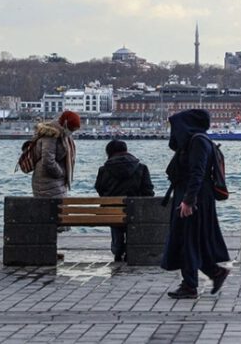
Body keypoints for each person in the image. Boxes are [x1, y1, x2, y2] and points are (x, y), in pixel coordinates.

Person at [161, 109, 230, 299]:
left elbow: (197, 173)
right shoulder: (197, 141)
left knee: (187, 239)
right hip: (193, 195)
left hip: (195, 197)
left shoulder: (198, 142)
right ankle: (213, 273)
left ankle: (190, 285)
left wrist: (188, 201)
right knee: (191, 239)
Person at [95, 139, 154, 262]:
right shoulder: (141, 168)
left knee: (115, 213)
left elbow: (100, 189)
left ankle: (117, 248)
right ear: (126, 151)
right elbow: (148, 191)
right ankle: (130, 247)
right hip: (136, 211)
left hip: (112, 212)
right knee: (132, 211)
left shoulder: (103, 169)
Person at [31, 110, 80, 198]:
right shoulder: (51, 134)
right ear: (65, 123)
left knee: (59, 209)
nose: (72, 132)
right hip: (47, 182)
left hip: (53, 182)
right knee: (57, 209)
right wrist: (61, 173)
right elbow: (48, 161)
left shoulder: (63, 134)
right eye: (72, 129)